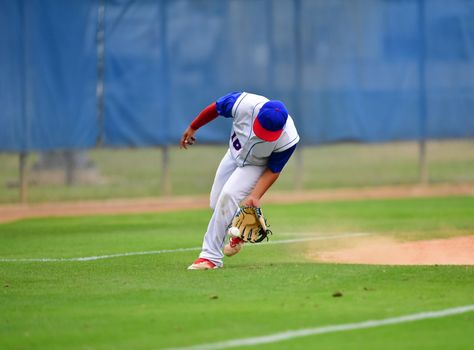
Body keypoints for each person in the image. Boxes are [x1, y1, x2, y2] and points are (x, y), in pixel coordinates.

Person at [180, 91, 300, 270]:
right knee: (217, 203)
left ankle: (210, 257)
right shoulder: (243, 103)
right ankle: (239, 229)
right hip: (233, 155)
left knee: (228, 196)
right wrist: (193, 127)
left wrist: (255, 196)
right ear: (257, 115)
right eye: (262, 129)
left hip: (255, 166)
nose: (263, 135)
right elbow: (216, 108)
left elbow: (274, 170)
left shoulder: (288, 139)